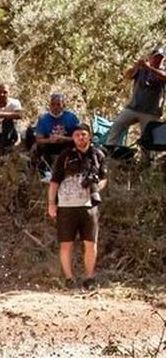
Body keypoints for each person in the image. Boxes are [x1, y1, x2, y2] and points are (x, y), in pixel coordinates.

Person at [47, 124, 108, 289]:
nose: (81, 138)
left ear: (89, 136)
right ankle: (69, 279)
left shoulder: (98, 155)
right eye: (77, 135)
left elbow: (103, 178)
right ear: (73, 138)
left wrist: (95, 186)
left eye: (83, 134)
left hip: (89, 207)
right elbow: (54, 182)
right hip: (66, 206)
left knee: (90, 243)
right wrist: (51, 203)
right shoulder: (65, 156)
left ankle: (89, 278)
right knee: (66, 244)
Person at [105, 48, 165, 149]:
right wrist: (136, 66)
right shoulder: (141, 69)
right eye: (156, 57)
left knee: (148, 140)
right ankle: (110, 151)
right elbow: (127, 75)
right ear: (150, 58)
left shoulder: (162, 71)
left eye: (160, 58)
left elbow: (164, 77)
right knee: (117, 125)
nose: (158, 60)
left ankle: (145, 163)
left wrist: (148, 68)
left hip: (151, 112)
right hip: (133, 108)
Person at [32, 93, 81, 176]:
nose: (55, 107)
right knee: (40, 146)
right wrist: (50, 140)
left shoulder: (71, 117)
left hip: (66, 144)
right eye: (53, 104)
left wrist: (64, 138)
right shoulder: (44, 119)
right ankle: (45, 172)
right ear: (50, 106)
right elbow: (39, 139)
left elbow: (79, 136)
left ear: (63, 105)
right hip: (50, 145)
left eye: (58, 104)